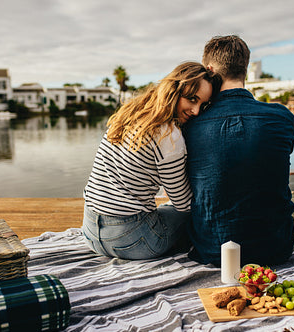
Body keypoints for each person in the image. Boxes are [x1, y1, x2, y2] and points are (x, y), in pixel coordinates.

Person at [183, 35, 294, 266]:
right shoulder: (282, 116)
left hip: (211, 249)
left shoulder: (191, 122)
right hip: (273, 248)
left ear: (209, 70)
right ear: (244, 69)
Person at [82, 61, 220, 260]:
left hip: (91, 232)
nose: (196, 111)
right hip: (132, 240)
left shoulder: (131, 113)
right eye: (192, 99)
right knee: (190, 214)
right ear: (174, 91)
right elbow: (183, 204)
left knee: (164, 209)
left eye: (202, 104)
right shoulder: (169, 136)